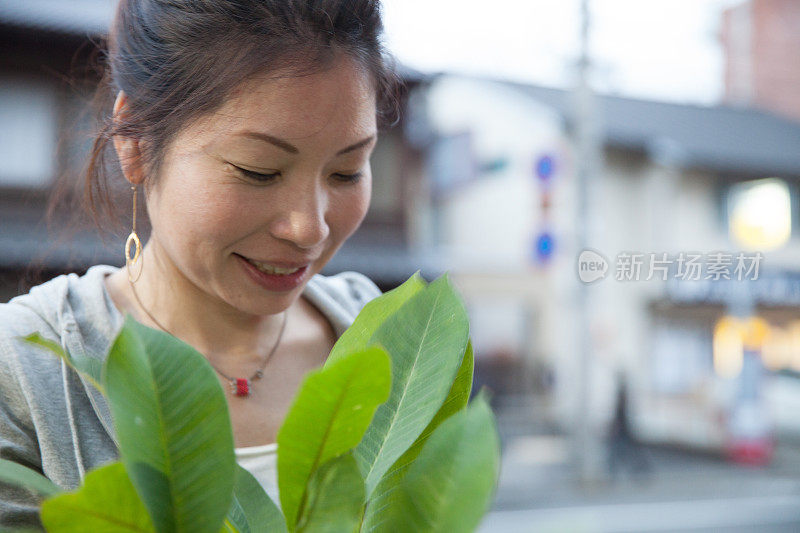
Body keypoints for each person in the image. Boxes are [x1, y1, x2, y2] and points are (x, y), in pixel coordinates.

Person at [0, 0, 401, 527]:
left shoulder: (389, 335)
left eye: (347, 171)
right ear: (136, 143)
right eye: (258, 171)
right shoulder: (26, 369)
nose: (310, 227)